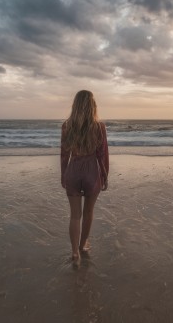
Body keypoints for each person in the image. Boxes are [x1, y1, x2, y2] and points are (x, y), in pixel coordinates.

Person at [60, 90, 109, 267]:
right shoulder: (99, 127)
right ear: (92, 105)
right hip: (91, 171)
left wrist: (63, 174)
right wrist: (104, 176)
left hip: (73, 169)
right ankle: (82, 245)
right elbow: (102, 155)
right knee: (88, 212)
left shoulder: (67, 126)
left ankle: (74, 252)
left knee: (75, 215)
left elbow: (64, 154)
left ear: (75, 105)